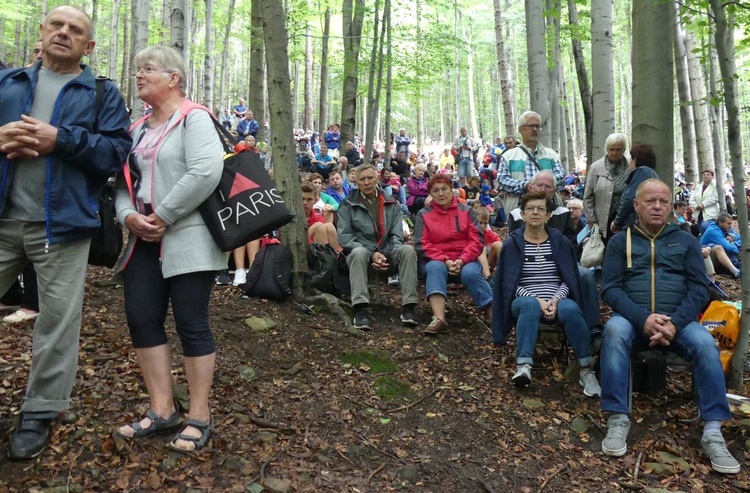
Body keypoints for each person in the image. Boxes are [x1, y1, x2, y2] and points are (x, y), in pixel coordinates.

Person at [0, 5, 132, 459]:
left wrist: (62, 140)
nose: (63, 33)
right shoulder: (9, 83)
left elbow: (116, 154)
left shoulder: (100, 93)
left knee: (57, 324)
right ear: (41, 32)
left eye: (75, 30)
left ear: (88, 46)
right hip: (2, 220)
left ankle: (38, 411)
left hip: (63, 227)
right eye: (56, 25)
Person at [114, 46, 226, 454]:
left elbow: (205, 171)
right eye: (137, 69)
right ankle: (162, 410)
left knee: (191, 322)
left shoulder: (194, 118)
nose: (138, 75)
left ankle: (199, 414)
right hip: (142, 238)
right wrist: (129, 217)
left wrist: (162, 216)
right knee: (142, 318)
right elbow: (123, 184)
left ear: (173, 77)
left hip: (189, 235)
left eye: (147, 69)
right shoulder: (137, 128)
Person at [599, 179, 739, 474]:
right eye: (650, 201)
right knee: (613, 333)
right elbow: (610, 289)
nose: (658, 206)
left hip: (680, 321)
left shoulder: (686, 240)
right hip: (633, 319)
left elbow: (699, 289)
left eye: (664, 201)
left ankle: (713, 430)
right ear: (636, 206)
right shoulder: (619, 241)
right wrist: (643, 319)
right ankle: (616, 418)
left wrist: (674, 323)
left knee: (705, 345)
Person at [491, 191, 600, 397]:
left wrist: (556, 300)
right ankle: (523, 366)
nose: (535, 213)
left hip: (557, 297)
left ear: (548, 215)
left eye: (541, 209)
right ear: (522, 214)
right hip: (523, 300)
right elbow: (508, 283)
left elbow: (569, 279)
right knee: (530, 305)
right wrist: (537, 299)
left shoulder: (560, 242)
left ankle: (586, 369)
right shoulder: (512, 244)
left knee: (572, 308)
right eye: (530, 209)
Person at [508, 171, 603, 345]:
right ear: (531, 187)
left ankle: (593, 330)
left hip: (563, 261)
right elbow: (513, 245)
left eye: (548, 186)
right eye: (540, 185)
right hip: (529, 263)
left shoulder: (563, 212)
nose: (543, 189)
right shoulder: (517, 213)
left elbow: (573, 242)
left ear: (555, 190)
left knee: (585, 275)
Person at [337, 164, 419, 331]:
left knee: (407, 250)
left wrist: (383, 254)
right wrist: (372, 254)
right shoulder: (347, 204)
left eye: (370, 178)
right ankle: (360, 310)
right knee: (358, 253)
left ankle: (409, 307)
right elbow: (345, 237)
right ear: (356, 182)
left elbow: (396, 236)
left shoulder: (391, 203)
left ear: (377, 179)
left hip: (388, 254)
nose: (367, 182)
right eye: (362, 179)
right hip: (361, 256)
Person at [414, 174, 493, 335]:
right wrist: (446, 260)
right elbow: (422, 244)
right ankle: (439, 319)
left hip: (466, 259)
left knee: (471, 272)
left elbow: (476, 240)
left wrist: (462, 260)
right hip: (437, 259)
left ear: (452, 190)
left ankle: (493, 313)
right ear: (431, 194)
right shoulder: (424, 214)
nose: (441, 194)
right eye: (436, 191)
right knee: (435, 268)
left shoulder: (467, 210)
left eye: (444, 189)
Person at [497, 111, 565, 213]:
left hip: (549, 209)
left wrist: (542, 184)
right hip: (519, 210)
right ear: (520, 129)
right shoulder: (508, 156)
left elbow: (561, 176)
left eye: (538, 126)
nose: (535, 129)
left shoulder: (551, 155)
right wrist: (525, 186)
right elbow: (502, 181)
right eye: (531, 126)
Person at [582, 133, 629, 241]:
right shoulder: (596, 168)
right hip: (602, 220)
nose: (614, 153)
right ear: (606, 149)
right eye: (611, 149)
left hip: (625, 218)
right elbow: (587, 197)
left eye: (618, 150)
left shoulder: (630, 167)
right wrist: (591, 220)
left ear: (624, 150)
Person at [610, 144, 658, 233]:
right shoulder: (652, 173)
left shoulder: (641, 172)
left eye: (631, 158)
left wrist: (617, 221)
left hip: (635, 223)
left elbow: (630, 198)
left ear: (635, 159)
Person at [700, 213, 741, 278]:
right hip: (706, 261)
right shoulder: (713, 231)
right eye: (728, 224)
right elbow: (730, 248)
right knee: (718, 248)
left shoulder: (726, 229)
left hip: (722, 260)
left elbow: (741, 240)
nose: (731, 226)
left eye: (731, 223)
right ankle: (736, 272)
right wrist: (736, 246)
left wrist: (733, 238)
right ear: (720, 223)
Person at [302, 182, 340, 250]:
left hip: (317, 250)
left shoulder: (318, 218)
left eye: (309, 199)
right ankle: (326, 258)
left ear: (315, 201)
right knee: (318, 226)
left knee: (329, 226)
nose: (305, 203)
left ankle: (338, 256)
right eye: (302, 199)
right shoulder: (291, 217)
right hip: (302, 248)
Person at [689, 169, 720, 234]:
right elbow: (692, 199)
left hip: (710, 211)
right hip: (699, 212)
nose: (706, 176)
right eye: (704, 175)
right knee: (701, 228)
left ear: (712, 176)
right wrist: (696, 206)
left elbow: (715, 197)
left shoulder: (715, 186)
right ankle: (704, 243)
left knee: (705, 226)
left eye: (708, 175)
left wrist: (703, 204)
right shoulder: (698, 187)